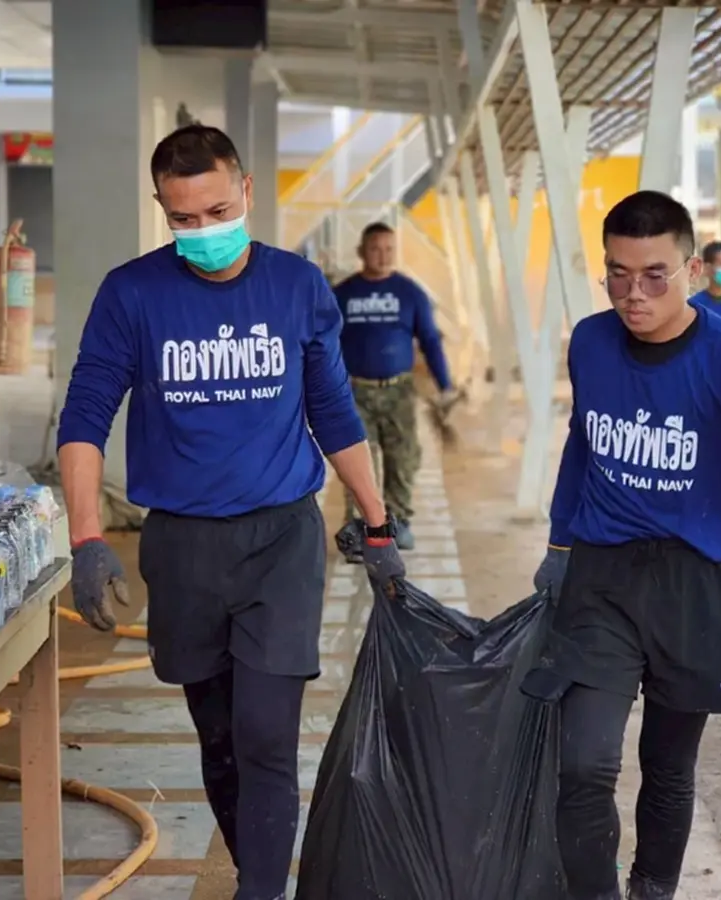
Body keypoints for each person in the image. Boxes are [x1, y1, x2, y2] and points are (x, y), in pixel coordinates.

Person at [56, 124, 405, 900]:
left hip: (282, 540)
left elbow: (333, 411)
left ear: (246, 192)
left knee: (266, 737)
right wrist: (86, 538)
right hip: (182, 547)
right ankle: (258, 874)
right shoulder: (132, 294)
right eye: (183, 219)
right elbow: (84, 417)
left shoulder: (298, 286)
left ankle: (263, 893)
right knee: (218, 739)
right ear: (162, 209)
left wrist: (377, 522)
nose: (204, 232)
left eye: (217, 211)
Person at [522, 191, 721, 900]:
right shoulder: (591, 343)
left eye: (654, 275)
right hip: (603, 575)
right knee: (583, 762)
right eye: (618, 273)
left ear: (691, 271)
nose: (634, 293)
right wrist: (561, 543)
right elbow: (582, 444)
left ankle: (652, 889)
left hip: (697, 581)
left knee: (667, 765)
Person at [333, 221, 455, 551]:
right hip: (354, 392)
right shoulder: (341, 295)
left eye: (389, 249)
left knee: (402, 458)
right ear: (361, 251)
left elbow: (430, 340)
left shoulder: (410, 293)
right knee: (359, 463)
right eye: (375, 248)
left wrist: (445, 385)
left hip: (399, 391)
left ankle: (398, 521)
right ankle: (361, 529)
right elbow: (324, 344)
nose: (383, 255)